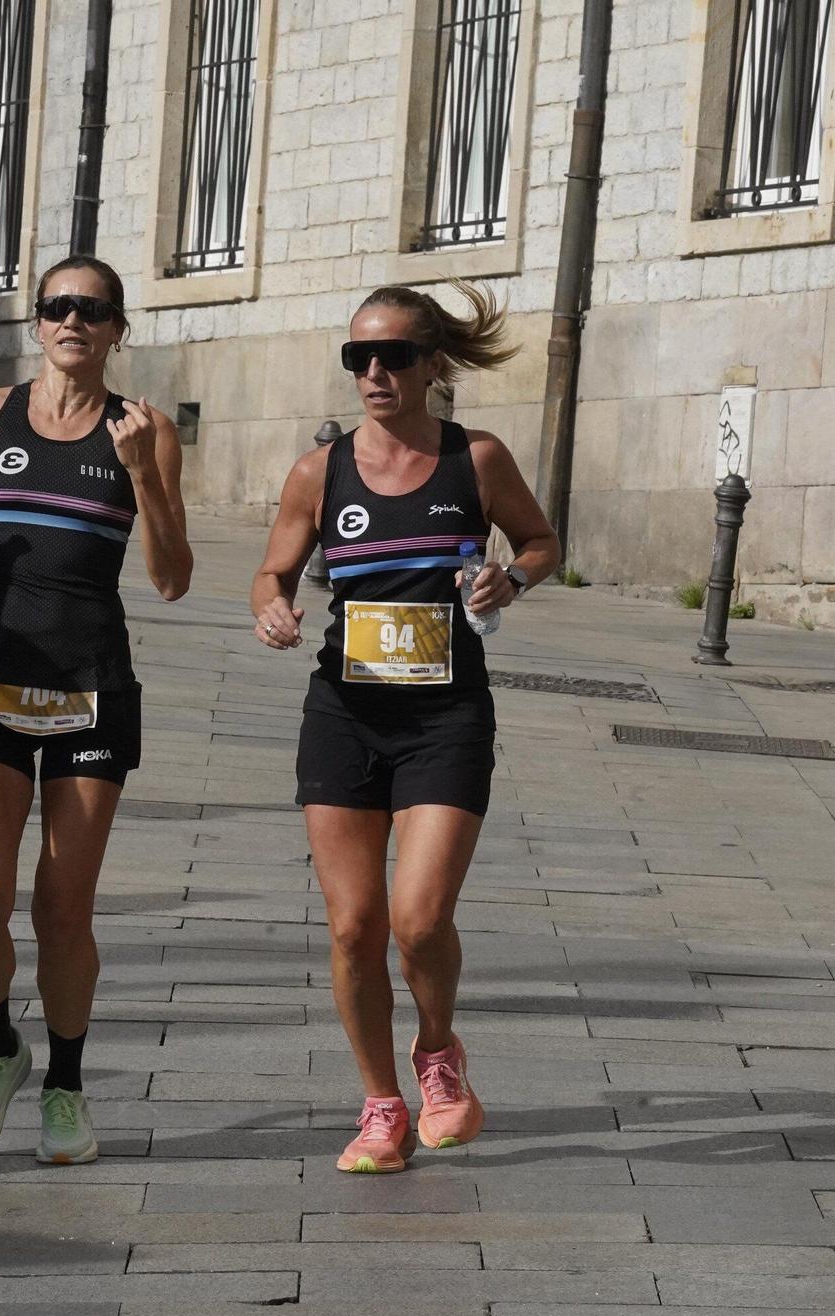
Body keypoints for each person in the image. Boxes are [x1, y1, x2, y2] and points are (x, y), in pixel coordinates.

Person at [250, 284, 559, 1174]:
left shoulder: (478, 459)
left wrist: (514, 580)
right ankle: (381, 1103)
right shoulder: (321, 471)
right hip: (343, 716)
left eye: (391, 357)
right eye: (358, 358)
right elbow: (271, 571)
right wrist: (271, 608)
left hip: (445, 717)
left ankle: (438, 1054)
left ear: (432, 364)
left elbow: (541, 541)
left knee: (419, 921)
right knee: (354, 927)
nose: (373, 373)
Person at [0, 256, 193, 1167]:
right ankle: (0, 1050)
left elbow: (173, 577)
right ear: (38, 324)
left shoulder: (142, 430)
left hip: (89, 681)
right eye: (59, 306)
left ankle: (65, 1083)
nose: (74, 320)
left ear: (117, 329)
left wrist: (144, 474)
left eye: (94, 309)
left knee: (63, 906)